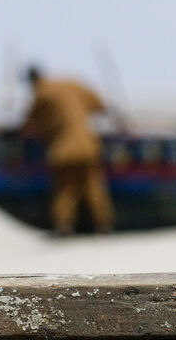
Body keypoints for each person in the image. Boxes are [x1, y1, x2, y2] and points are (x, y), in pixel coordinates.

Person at [21, 66, 114, 236]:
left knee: (65, 190)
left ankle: (63, 228)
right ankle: (103, 226)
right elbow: (100, 105)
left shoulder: (42, 93)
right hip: (88, 146)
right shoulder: (73, 84)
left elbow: (27, 124)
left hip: (64, 150)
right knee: (93, 187)